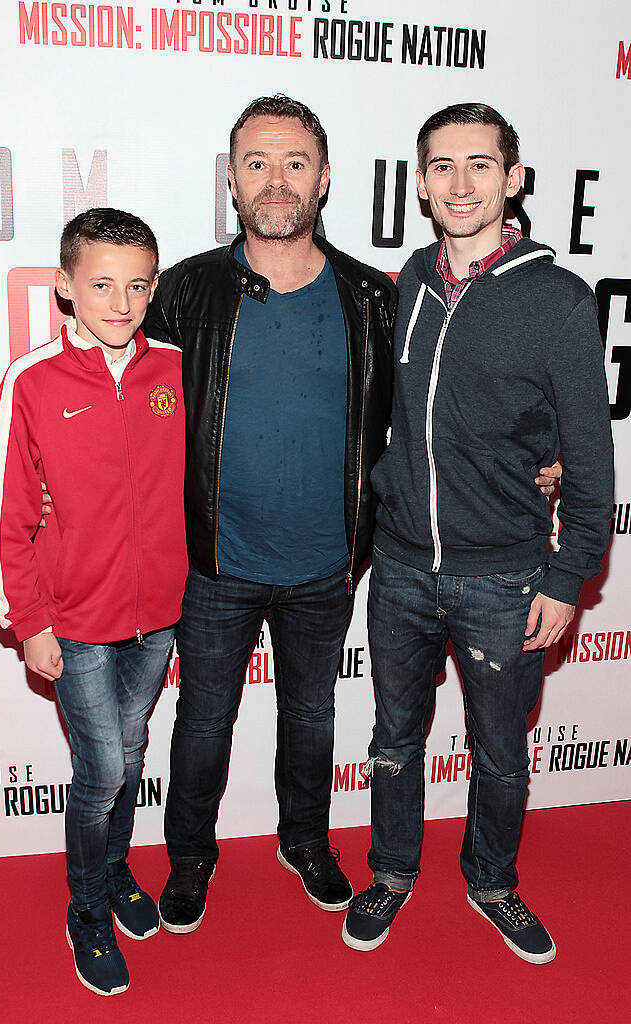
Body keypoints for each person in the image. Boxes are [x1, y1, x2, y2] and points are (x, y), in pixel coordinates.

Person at [341, 103, 614, 963]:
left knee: (499, 752)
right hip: (401, 568)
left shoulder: (559, 300)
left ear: (514, 178)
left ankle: (492, 882)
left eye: (479, 165)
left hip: (505, 578)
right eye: (442, 167)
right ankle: (390, 873)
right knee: (393, 738)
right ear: (419, 184)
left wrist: (568, 577)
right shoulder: (413, 275)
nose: (460, 184)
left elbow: (590, 460)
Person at [142, 94, 397, 931]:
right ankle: (189, 860)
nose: (276, 180)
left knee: (313, 716)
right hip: (215, 563)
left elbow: (431, 412)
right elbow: (106, 388)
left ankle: (306, 840)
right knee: (203, 720)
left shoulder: (370, 298)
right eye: (256, 163)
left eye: (294, 163)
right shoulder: (183, 291)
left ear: (323, 179)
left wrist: (530, 456)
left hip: (326, 563)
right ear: (231, 180)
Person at [0, 208, 187, 996]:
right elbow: (4, 516)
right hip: (74, 620)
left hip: (158, 615)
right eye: (102, 285)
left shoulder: (171, 365)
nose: (121, 303)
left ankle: (114, 864)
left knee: (130, 755)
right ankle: (88, 907)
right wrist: (27, 623)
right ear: (65, 287)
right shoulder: (31, 379)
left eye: (137, 285)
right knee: (102, 767)